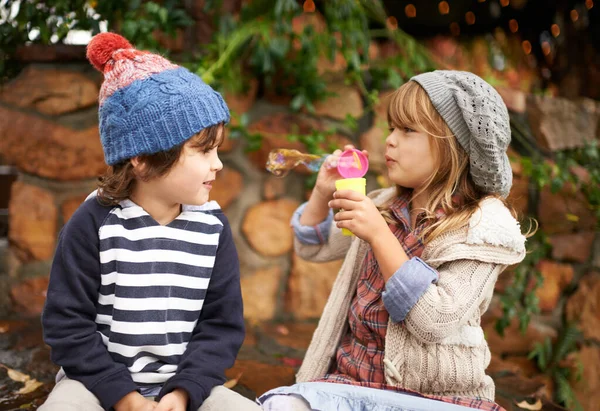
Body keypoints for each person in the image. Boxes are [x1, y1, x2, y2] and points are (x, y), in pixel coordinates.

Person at [237, 70, 527, 411]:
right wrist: (321, 194)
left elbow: (433, 320)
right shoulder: (384, 205)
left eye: (407, 130)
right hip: (353, 384)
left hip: (432, 399)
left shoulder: (481, 231)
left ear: (453, 146)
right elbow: (314, 247)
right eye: (391, 128)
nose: (389, 140)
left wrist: (378, 234)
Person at [39, 33, 250, 411]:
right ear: (144, 157)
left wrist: (185, 391)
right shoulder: (95, 224)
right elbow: (67, 325)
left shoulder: (212, 229)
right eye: (204, 150)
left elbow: (221, 327)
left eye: (217, 149)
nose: (217, 164)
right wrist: (124, 397)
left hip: (186, 388)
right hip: (95, 384)